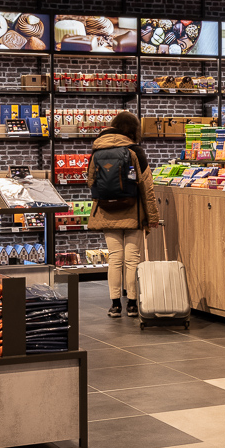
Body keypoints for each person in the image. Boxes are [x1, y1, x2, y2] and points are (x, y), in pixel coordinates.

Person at [87, 111, 161, 318]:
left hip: (107, 211)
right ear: (133, 130)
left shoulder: (98, 149)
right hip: (132, 210)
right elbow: (147, 185)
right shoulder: (135, 151)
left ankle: (114, 305)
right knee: (132, 259)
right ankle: (132, 304)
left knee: (115, 258)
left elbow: (90, 181)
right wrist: (152, 216)